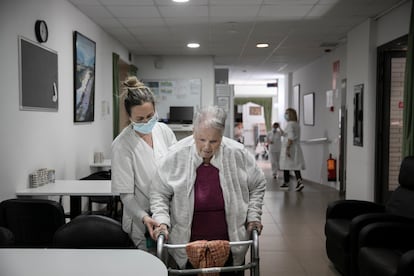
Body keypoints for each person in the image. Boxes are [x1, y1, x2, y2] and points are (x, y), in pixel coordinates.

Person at [150, 106, 266, 274]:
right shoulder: (176, 155)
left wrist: (253, 216)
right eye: (201, 139)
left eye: (214, 141)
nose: (207, 147)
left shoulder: (237, 153)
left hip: (231, 245)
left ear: (222, 135)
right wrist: (161, 220)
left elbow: (258, 183)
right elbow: (158, 192)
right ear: (193, 131)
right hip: (186, 245)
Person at [111, 76, 177, 250]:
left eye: (150, 116)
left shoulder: (163, 131)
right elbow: (126, 195)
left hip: (168, 212)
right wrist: (144, 217)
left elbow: (177, 168)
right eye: (140, 119)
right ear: (129, 116)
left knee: (170, 261)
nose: (147, 122)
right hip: (141, 218)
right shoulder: (122, 145)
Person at [279, 108, 306, 191]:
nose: (285, 115)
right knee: (295, 165)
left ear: (291, 114)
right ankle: (299, 181)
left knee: (286, 165)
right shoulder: (296, 124)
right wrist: (280, 129)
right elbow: (287, 134)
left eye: (286, 113)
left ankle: (286, 183)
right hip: (295, 147)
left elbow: (290, 137)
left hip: (290, 147)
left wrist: (287, 148)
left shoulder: (290, 124)